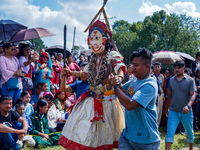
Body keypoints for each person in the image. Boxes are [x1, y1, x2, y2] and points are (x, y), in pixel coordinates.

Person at [59, 20, 126, 149]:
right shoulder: (93, 58)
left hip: (107, 101)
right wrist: (70, 72)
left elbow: (120, 69)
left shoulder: (112, 55)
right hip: (90, 99)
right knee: (86, 133)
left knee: (104, 135)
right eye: (92, 38)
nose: (94, 42)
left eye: (97, 38)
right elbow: (85, 75)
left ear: (105, 40)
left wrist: (118, 78)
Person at [110, 48, 160, 150]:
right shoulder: (135, 80)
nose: (133, 68)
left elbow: (129, 105)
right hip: (128, 135)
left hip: (146, 140)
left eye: (136, 65)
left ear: (147, 67)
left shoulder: (149, 85)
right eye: (132, 64)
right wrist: (115, 81)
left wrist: (115, 87)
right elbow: (122, 90)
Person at [165, 60, 196, 150]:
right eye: (175, 68)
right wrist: (167, 108)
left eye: (178, 68)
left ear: (183, 68)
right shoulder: (171, 80)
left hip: (186, 112)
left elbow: (193, 94)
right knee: (170, 133)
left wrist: (188, 106)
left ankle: (191, 148)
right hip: (173, 111)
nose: (176, 70)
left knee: (189, 132)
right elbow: (169, 95)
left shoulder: (190, 80)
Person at [153, 62, 164, 126]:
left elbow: (162, 86)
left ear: (161, 68)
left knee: (160, 110)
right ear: (154, 68)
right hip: (154, 94)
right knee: (155, 110)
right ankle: (154, 125)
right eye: (156, 67)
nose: (157, 68)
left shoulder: (161, 76)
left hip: (160, 94)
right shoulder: (151, 75)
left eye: (158, 67)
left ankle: (158, 125)